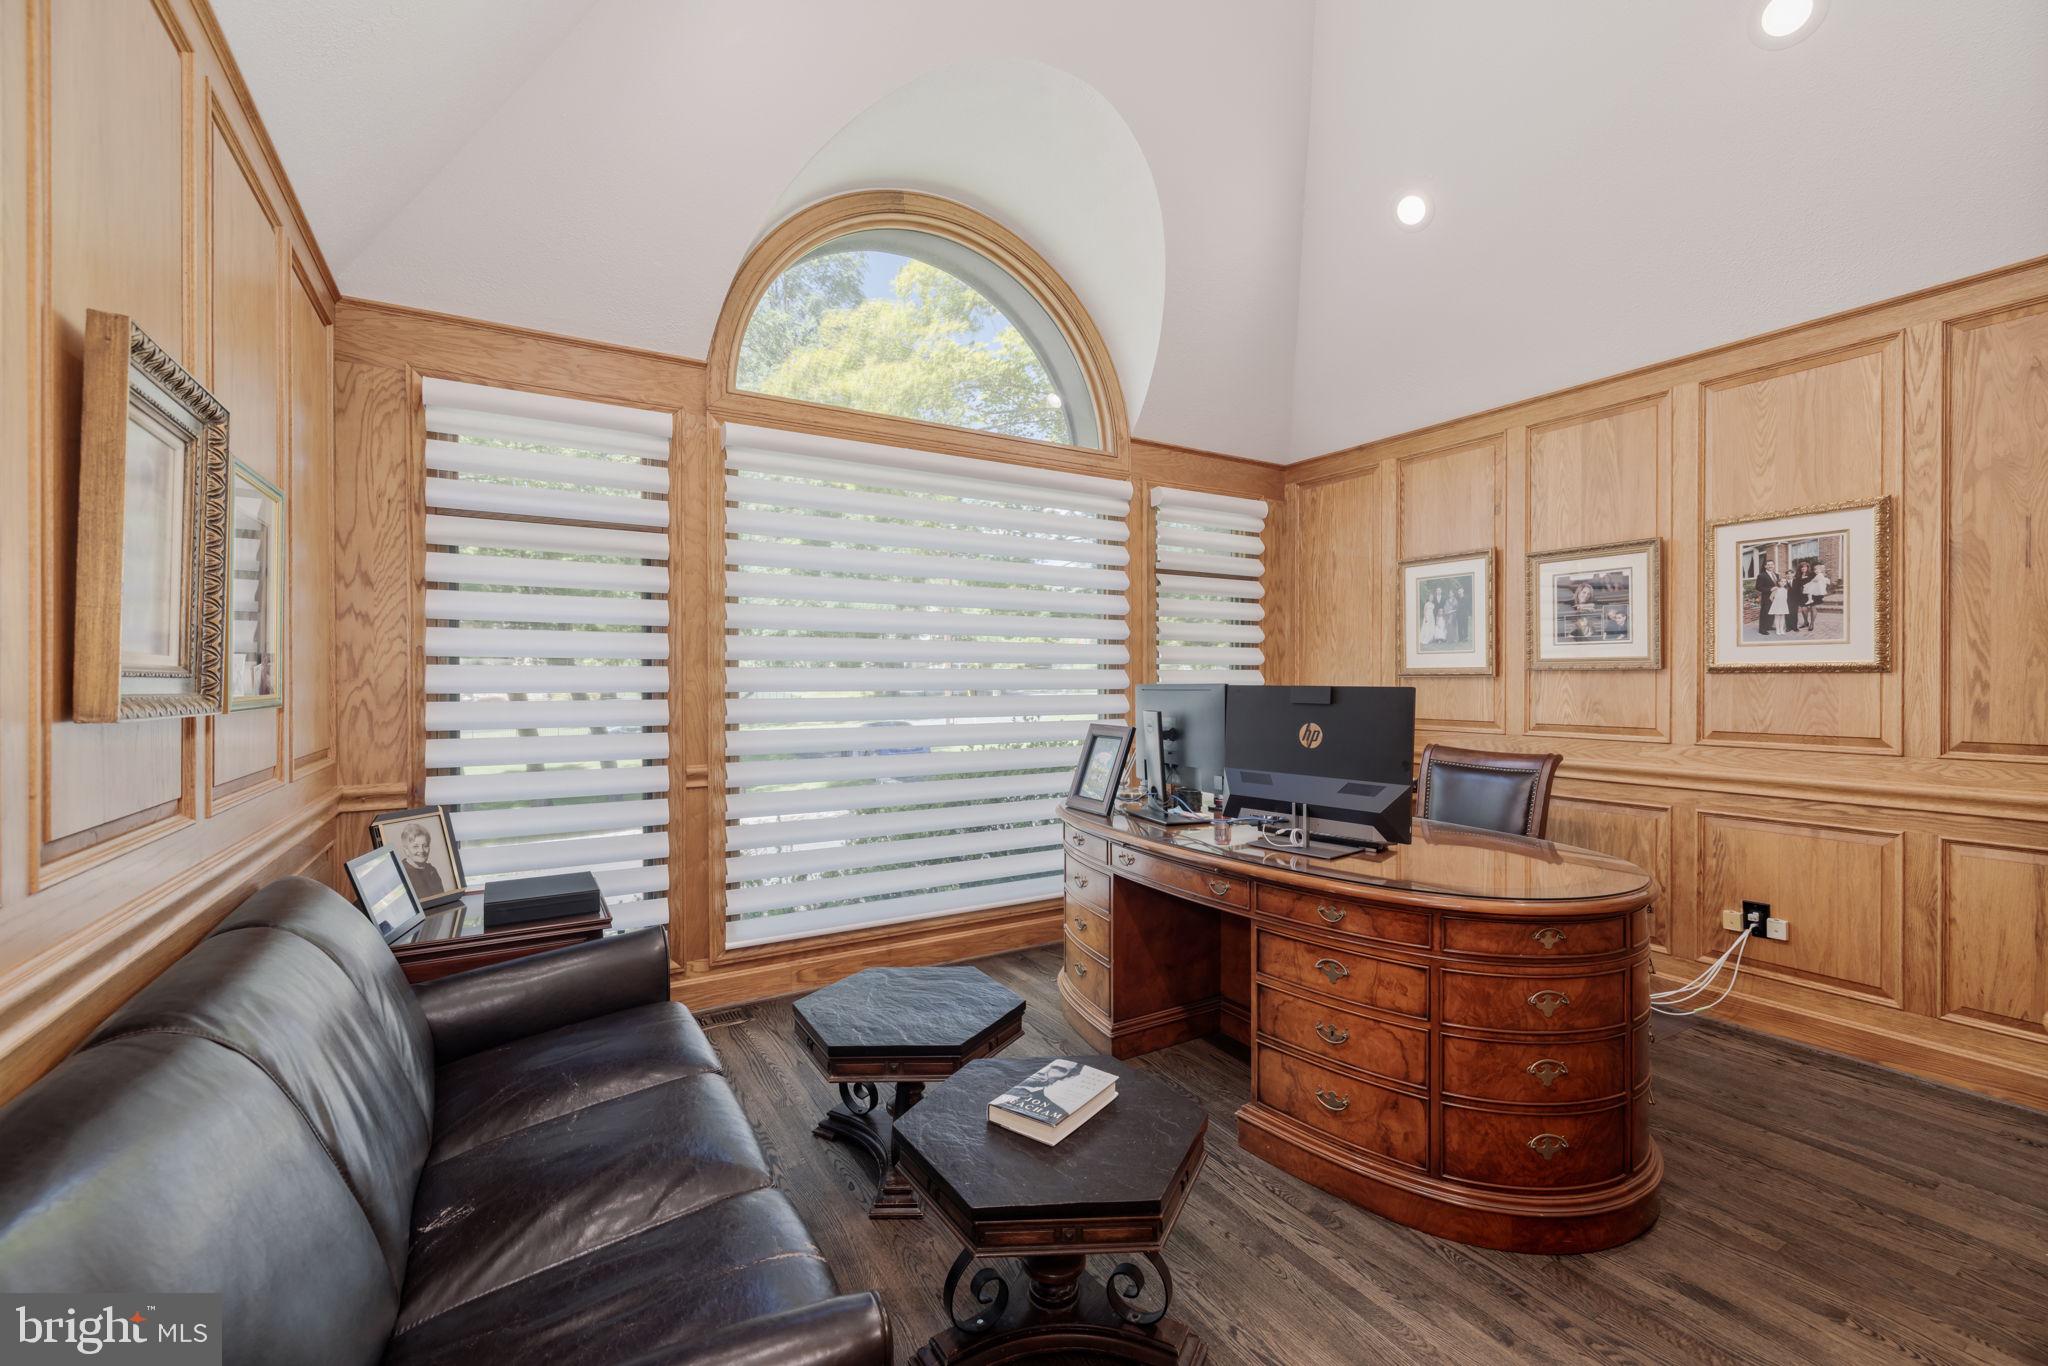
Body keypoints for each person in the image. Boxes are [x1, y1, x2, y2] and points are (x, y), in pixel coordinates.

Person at [398, 823, 445, 900]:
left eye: (425, 845)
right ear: (406, 850)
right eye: (415, 846)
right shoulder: (401, 874)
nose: (421, 850)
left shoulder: (432, 870)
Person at [1752, 555, 1782, 636]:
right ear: (1765, 566)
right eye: (1768, 565)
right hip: (1766, 597)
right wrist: (1769, 589)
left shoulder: (1777, 575)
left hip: (1776, 597)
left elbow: (1778, 585)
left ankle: (1769, 626)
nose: (1770, 566)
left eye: (1772, 564)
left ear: (1774, 565)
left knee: (1772, 612)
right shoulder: (1761, 575)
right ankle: (1762, 629)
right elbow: (1758, 587)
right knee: (1765, 613)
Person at [1803, 560, 1831, 633]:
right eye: (1815, 568)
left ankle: (1812, 624)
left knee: (1812, 607)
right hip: (1809, 592)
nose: (1816, 570)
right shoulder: (1811, 573)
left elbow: (1826, 582)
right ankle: (1806, 622)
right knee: (1806, 608)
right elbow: (1808, 580)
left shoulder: (1822, 574)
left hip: (1817, 593)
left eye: (1818, 568)